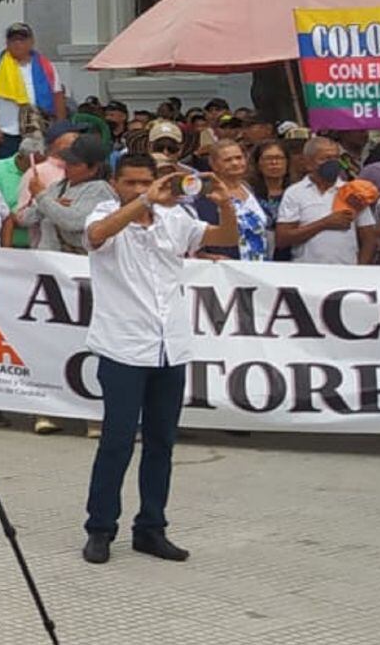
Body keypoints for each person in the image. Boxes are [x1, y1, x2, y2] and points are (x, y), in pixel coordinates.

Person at [80, 154, 236, 565]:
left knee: (162, 442)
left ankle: (151, 527)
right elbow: (97, 235)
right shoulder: (105, 213)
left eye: (145, 181)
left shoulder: (175, 218)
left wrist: (224, 202)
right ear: (115, 183)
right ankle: (100, 527)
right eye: (130, 182)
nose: (139, 188)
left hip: (171, 345)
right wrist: (145, 201)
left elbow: (222, 235)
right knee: (116, 441)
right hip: (123, 347)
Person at [275, 137, 377, 265]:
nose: (332, 163)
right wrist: (325, 223)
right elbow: (283, 239)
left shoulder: (354, 191)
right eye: (325, 159)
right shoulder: (294, 192)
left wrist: (359, 270)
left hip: (347, 272)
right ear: (308, 163)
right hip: (306, 272)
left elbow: (370, 239)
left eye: (335, 158)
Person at [0, 23, 67, 158]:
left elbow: (58, 96)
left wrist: (60, 129)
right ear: (7, 43)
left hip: (40, 129)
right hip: (8, 132)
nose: (17, 44)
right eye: (13, 40)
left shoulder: (46, 67)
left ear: (31, 42)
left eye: (22, 39)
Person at [195, 141, 273, 261]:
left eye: (239, 158)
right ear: (214, 165)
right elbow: (197, 236)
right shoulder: (208, 196)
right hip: (226, 269)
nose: (235, 163)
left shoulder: (251, 189)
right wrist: (205, 256)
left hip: (260, 266)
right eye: (228, 160)